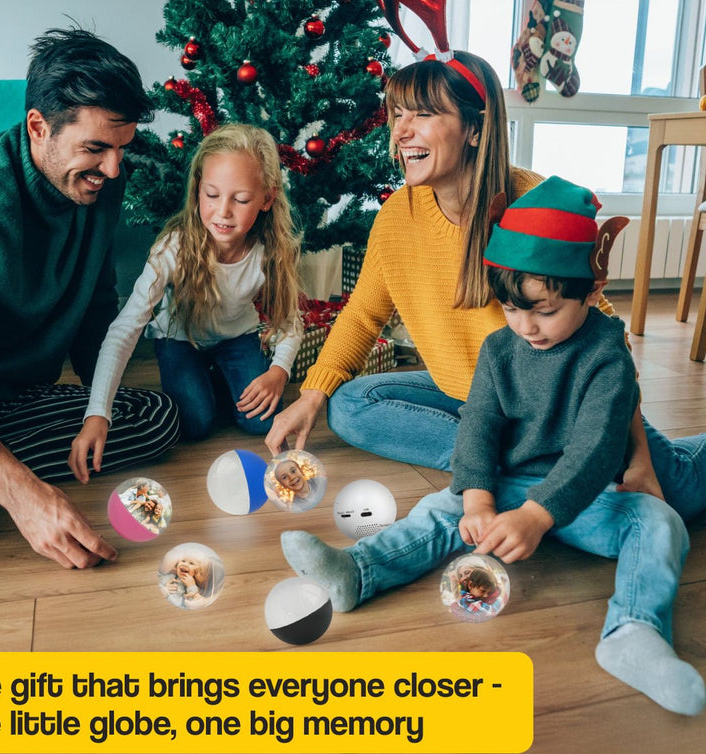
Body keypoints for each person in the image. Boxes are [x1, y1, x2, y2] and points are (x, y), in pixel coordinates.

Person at [280, 177, 704, 716]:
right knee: (439, 507)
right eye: (510, 308)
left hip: (590, 496)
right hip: (508, 487)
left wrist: (536, 515)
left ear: (591, 294)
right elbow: (477, 426)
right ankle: (358, 572)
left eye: (545, 311)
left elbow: (596, 449)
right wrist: (479, 496)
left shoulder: (606, 353)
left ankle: (634, 632)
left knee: (659, 523)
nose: (526, 326)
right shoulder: (500, 348)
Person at [265, 54, 706, 524]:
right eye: (398, 115)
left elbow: (604, 334)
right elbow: (362, 316)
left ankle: (520, 468)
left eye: (424, 114)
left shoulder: (531, 204)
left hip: (556, 405)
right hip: (466, 395)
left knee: (680, 487)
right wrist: (311, 395)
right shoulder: (397, 217)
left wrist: (636, 452)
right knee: (350, 405)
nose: (401, 131)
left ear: (476, 128)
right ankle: (516, 472)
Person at [0, 27, 180, 574]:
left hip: (12, 399)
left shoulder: (99, 184)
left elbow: (95, 303)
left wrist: (96, 405)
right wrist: (26, 497)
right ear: (38, 127)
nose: (113, 170)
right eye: (96, 148)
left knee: (157, 417)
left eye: (122, 148)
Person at [68, 124, 302, 473]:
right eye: (211, 195)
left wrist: (279, 372)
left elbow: (290, 322)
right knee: (194, 424)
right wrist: (97, 412)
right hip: (178, 339)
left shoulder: (270, 251)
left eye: (240, 200)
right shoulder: (173, 247)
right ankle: (207, 385)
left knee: (261, 422)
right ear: (197, 191)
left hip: (237, 338)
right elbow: (125, 328)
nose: (223, 212)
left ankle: (219, 379)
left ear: (267, 198)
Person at [159, 547, 224, 610]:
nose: (185, 564)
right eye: (183, 561)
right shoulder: (171, 577)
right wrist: (164, 589)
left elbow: (189, 603)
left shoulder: (197, 589)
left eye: (199, 572)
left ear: (207, 582)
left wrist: (191, 586)